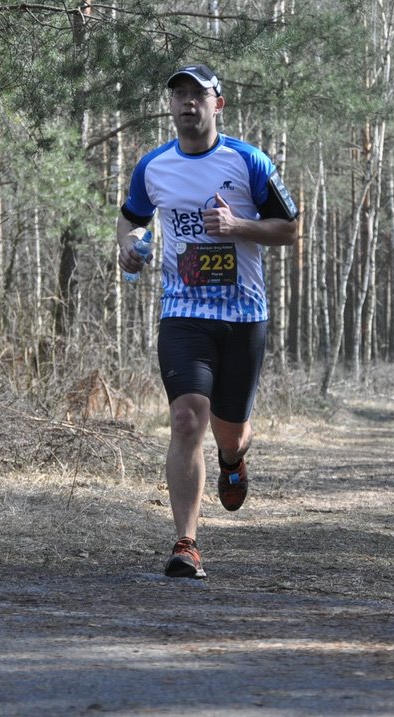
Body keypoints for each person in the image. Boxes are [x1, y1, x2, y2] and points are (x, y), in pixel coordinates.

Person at [117, 64, 299, 579]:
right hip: (183, 312)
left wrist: (238, 225)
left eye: (198, 94)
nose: (187, 102)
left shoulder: (248, 161)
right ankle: (186, 543)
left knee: (230, 433)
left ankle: (233, 459)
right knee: (185, 419)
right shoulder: (153, 166)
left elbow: (289, 229)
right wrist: (128, 248)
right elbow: (131, 219)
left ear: (218, 104)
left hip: (243, 314)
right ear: (170, 105)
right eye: (178, 94)